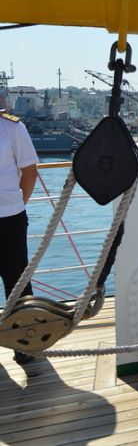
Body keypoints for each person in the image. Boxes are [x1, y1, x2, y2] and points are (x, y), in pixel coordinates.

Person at [0, 109, 39, 365]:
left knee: (17, 281)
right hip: (10, 214)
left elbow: (29, 171)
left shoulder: (13, 128)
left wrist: (19, 203)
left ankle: (24, 342)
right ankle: (24, 342)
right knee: (17, 281)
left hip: (9, 219)